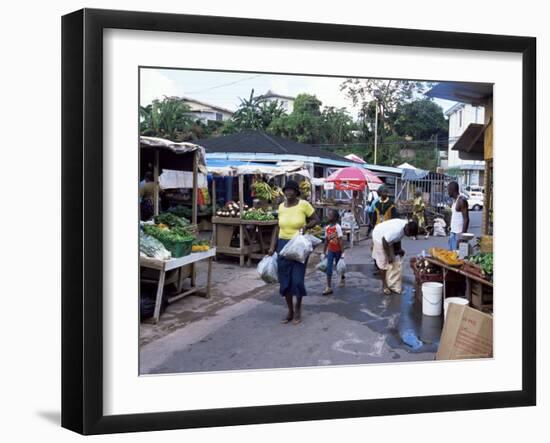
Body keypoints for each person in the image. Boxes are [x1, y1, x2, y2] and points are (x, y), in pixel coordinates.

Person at [268, 180, 320, 325]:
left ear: (297, 192)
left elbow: (316, 219)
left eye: (291, 190)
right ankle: (290, 311)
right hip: (283, 246)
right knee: (285, 281)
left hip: (299, 245)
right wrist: (272, 247)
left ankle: (298, 308)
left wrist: (306, 226)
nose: (288, 192)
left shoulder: (304, 205)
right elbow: (277, 228)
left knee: (297, 280)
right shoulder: (281, 207)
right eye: (286, 190)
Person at [371, 218, 418, 295]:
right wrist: (388, 256)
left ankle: (391, 283)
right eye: (409, 234)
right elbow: (384, 241)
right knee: (383, 262)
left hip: (387, 237)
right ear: (407, 228)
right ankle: (385, 286)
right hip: (379, 236)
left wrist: (399, 249)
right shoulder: (396, 231)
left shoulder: (405, 227)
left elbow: (398, 239)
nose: (408, 236)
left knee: (394, 259)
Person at [322, 209, 345, 295]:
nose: (328, 216)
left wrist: (343, 253)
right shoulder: (327, 228)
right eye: (328, 215)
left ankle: (342, 277)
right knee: (329, 268)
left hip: (338, 251)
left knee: (339, 267)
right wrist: (324, 252)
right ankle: (328, 287)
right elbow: (326, 240)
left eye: (330, 215)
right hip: (330, 251)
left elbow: (340, 241)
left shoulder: (337, 227)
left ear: (335, 218)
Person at [447, 181, 470, 251]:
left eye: (448, 190)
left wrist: (462, 237)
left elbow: (466, 219)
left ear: (452, 190)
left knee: (458, 258)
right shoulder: (455, 201)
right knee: (451, 257)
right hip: (453, 233)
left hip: (459, 235)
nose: (447, 192)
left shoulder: (462, 201)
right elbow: (455, 216)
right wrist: (451, 227)